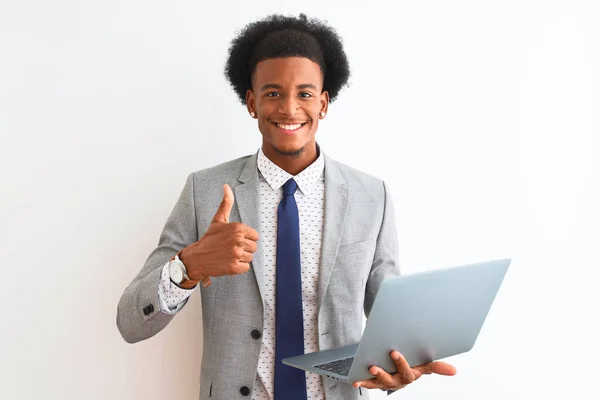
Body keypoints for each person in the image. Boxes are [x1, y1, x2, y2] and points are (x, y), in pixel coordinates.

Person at [116, 13, 456, 400]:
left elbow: (391, 319)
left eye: (305, 94)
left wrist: (400, 366)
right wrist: (189, 264)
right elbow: (131, 322)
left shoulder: (371, 196)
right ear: (251, 102)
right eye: (273, 93)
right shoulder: (205, 190)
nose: (289, 109)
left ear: (324, 103)